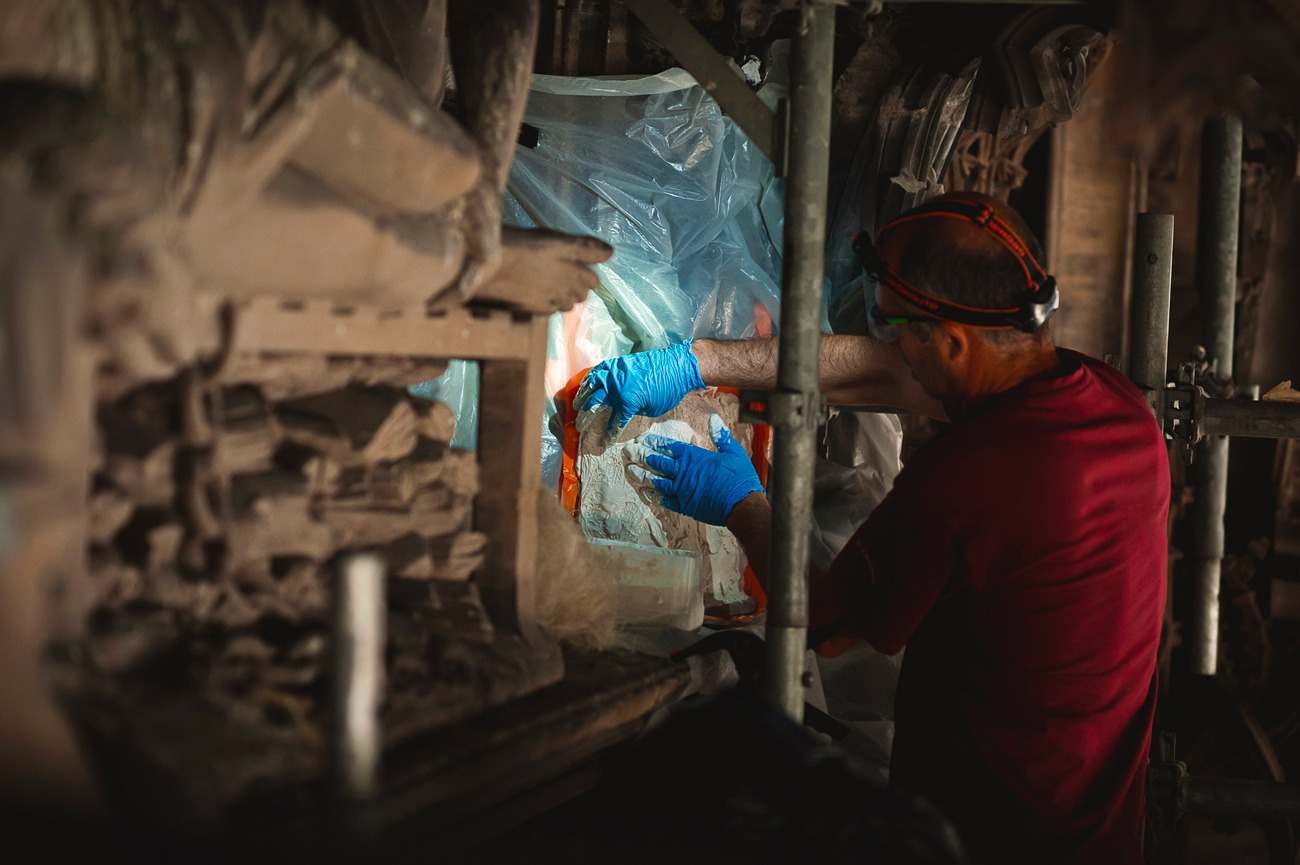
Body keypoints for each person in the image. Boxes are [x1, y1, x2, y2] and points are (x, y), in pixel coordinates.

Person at [576, 192, 1169, 864]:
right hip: (1106, 830)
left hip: (992, 838)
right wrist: (699, 362)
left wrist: (742, 502)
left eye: (901, 327)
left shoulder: (964, 481)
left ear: (951, 339)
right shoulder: (1117, 407)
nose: (894, 346)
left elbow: (829, 625)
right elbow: (882, 370)